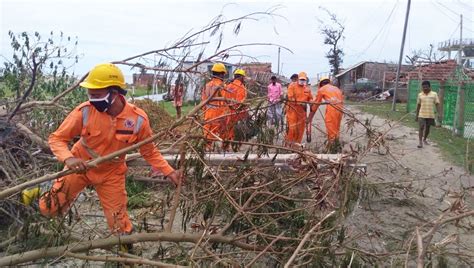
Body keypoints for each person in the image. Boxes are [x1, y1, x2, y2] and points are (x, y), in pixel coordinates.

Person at [23, 63, 182, 236]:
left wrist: (169, 171)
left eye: (96, 94)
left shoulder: (138, 120)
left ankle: (126, 257)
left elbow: (149, 151)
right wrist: (69, 159)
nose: (91, 98)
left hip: (111, 173)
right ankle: (43, 188)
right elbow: (57, 138)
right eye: (90, 93)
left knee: (119, 223)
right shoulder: (84, 111)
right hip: (80, 165)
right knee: (50, 209)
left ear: (114, 93)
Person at [309, 77, 344, 150]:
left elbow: (316, 104)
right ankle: (336, 144)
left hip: (332, 109)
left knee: (331, 128)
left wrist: (310, 117)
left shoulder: (322, 89)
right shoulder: (336, 89)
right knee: (336, 129)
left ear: (321, 84)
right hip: (340, 109)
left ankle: (333, 149)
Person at [201, 63, 227, 150]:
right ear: (221, 74)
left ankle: (207, 148)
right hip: (219, 114)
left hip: (208, 113)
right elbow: (225, 102)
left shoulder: (207, 85)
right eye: (223, 74)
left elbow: (203, 100)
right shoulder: (223, 86)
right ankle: (225, 149)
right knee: (223, 132)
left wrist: (204, 112)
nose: (224, 76)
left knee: (208, 133)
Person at [221, 69, 248, 150]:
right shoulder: (241, 87)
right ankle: (236, 147)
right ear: (241, 77)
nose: (244, 79)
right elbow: (240, 102)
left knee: (227, 129)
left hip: (227, 111)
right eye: (243, 77)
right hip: (236, 113)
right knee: (237, 131)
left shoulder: (228, 86)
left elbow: (224, 99)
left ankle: (225, 146)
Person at [285, 72, 313, 147]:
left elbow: (310, 98)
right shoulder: (292, 86)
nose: (302, 81)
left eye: (304, 79)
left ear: (306, 79)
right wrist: (300, 103)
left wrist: (311, 102)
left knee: (300, 128)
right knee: (292, 128)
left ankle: (297, 144)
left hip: (302, 112)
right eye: (301, 79)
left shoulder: (307, 88)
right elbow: (290, 97)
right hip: (292, 110)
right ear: (298, 79)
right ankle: (289, 144)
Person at [415, 80, 441, 148]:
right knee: (421, 127)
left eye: (426, 87)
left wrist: (439, 113)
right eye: (423, 87)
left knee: (428, 128)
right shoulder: (420, 95)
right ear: (422, 87)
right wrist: (416, 115)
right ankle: (420, 142)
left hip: (430, 114)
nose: (425, 88)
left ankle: (425, 139)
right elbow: (418, 105)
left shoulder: (434, 94)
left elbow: (437, 104)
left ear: (429, 87)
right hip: (421, 114)